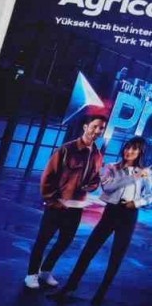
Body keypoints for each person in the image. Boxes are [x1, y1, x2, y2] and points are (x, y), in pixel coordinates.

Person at [53, 136, 151, 305]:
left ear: (140, 152)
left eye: (134, 149)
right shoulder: (111, 167)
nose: (129, 151)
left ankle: (100, 295)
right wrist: (133, 177)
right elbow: (108, 187)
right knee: (88, 251)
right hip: (110, 212)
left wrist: (136, 202)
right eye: (127, 147)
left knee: (116, 257)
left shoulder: (146, 173)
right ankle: (69, 287)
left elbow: (150, 196)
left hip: (129, 214)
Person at [28, 111, 107, 289]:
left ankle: (45, 271)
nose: (97, 131)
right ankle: (31, 274)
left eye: (101, 128)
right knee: (43, 241)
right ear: (86, 127)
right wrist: (53, 200)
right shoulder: (67, 149)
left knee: (65, 241)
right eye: (94, 126)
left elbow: (95, 179)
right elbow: (47, 177)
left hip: (76, 207)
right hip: (56, 206)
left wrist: (90, 188)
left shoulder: (97, 155)